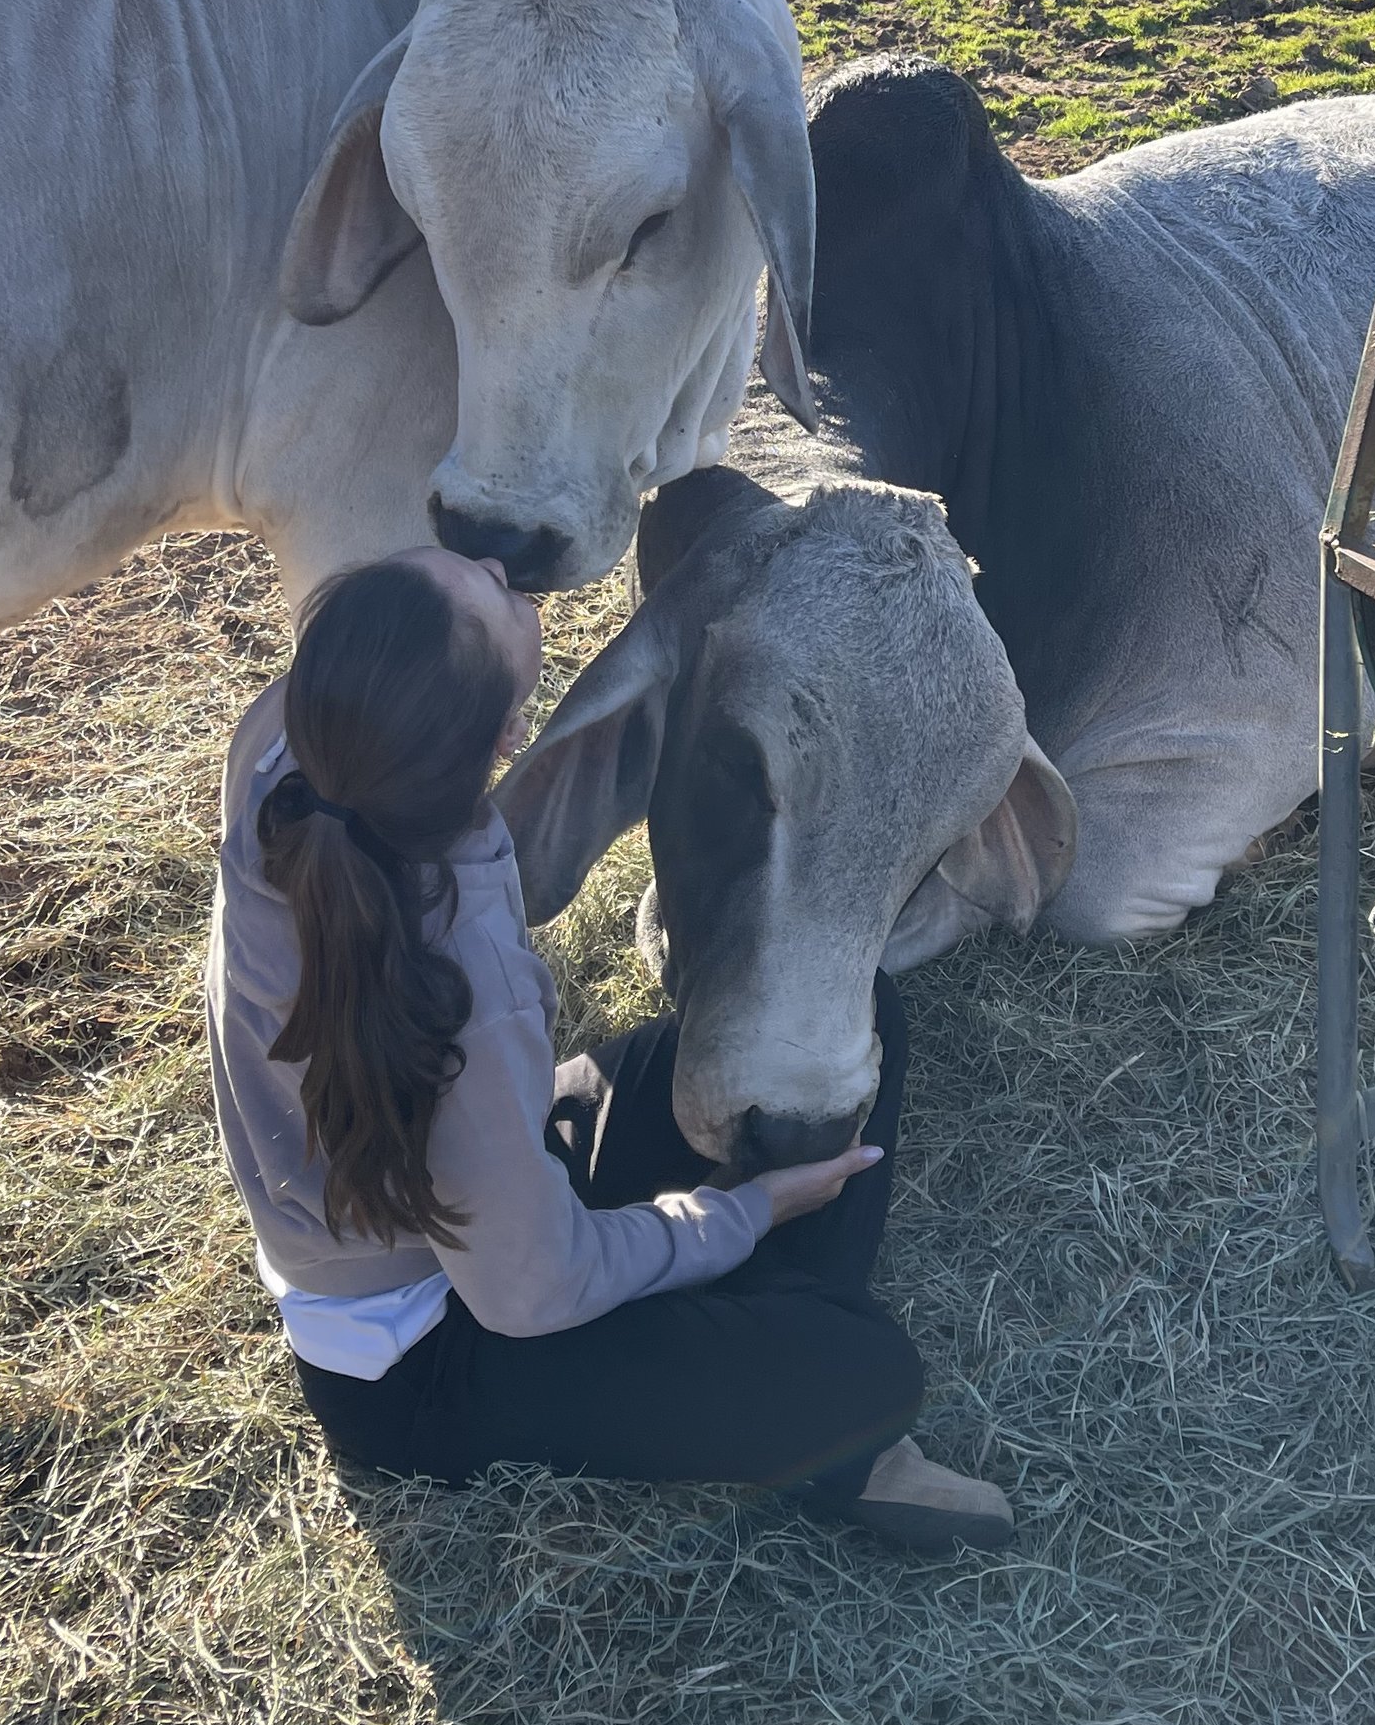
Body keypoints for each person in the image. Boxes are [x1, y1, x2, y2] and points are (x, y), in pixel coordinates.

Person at [205, 545, 1012, 1553]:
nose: (499, 565)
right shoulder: (465, 988)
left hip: (475, 1175)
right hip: (423, 1360)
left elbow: (481, 1123)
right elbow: (527, 1293)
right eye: (494, 592)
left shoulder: (282, 742)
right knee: (865, 1373)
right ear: (508, 739)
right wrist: (736, 1214)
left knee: (859, 1024)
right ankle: (796, 1376)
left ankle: (741, 1335)